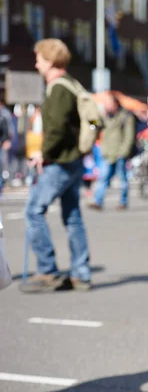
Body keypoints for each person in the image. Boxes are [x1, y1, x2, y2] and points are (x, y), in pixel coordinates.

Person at [20, 38, 92, 293]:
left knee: (33, 211)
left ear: (50, 61)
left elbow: (57, 127)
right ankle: (81, 273)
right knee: (72, 216)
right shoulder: (72, 83)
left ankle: (48, 270)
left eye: (39, 58)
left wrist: (43, 152)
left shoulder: (58, 88)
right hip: (74, 160)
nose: (36, 63)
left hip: (60, 161)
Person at [88, 94, 136, 211]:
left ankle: (123, 202)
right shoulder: (104, 116)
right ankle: (98, 201)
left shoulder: (126, 116)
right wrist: (94, 116)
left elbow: (129, 135)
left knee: (122, 179)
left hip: (120, 152)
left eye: (108, 104)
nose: (106, 106)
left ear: (115, 104)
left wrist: (124, 151)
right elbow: (93, 127)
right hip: (107, 152)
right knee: (103, 177)